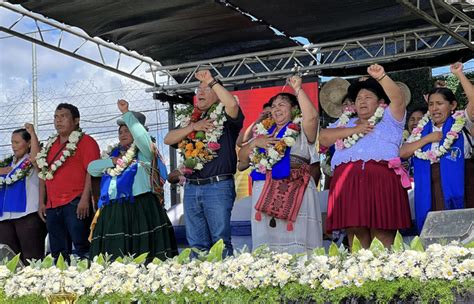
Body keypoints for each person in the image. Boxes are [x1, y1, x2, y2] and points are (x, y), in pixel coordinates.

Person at [320, 64, 411, 249]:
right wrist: (355, 129)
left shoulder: (390, 117)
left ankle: (383, 274)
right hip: (348, 183)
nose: (362, 101)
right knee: (355, 232)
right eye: (359, 98)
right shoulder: (345, 122)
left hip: (381, 182)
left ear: (380, 102)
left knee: (382, 233)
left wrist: (382, 76)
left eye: (368, 97)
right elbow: (323, 138)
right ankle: (360, 274)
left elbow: (398, 99)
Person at [238, 75, 322, 254]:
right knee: (266, 244)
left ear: (294, 109)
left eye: (282, 104)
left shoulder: (300, 128)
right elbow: (242, 161)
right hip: (265, 190)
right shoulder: (264, 131)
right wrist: (254, 143)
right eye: (274, 106)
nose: (276, 109)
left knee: (298, 240)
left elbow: (313, 117)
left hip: (295, 187)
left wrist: (298, 89)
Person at [164, 70, 244, 256]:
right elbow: (168, 139)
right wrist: (193, 127)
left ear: (217, 92)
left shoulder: (225, 116)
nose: (200, 93)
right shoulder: (191, 119)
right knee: (197, 244)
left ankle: (225, 283)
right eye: (198, 89)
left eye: (206, 89)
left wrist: (211, 80)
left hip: (218, 186)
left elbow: (231, 103)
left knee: (220, 242)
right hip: (192, 187)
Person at [88, 100, 178, 260]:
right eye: (120, 131)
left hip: (141, 207)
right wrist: (113, 161)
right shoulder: (112, 154)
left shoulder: (145, 151)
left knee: (144, 253)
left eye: (127, 130)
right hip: (114, 210)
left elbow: (143, 139)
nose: (122, 134)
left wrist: (126, 113)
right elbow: (92, 169)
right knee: (114, 254)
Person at [400, 62, 474, 231]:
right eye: (431, 104)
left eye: (439, 103)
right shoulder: (421, 131)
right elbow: (403, 153)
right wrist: (427, 139)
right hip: (430, 185)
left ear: (453, 106)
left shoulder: (462, 122)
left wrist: (459, 74)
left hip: (462, 182)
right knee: (434, 232)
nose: (434, 108)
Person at [34, 103, 100, 260]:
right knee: (57, 253)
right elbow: (43, 173)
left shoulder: (86, 141)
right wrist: (42, 202)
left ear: (76, 120)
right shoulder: (50, 145)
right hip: (52, 206)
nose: (58, 121)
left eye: (63, 116)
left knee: (83, 247)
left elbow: (91, 172)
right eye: (56, 117)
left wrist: (84, 200)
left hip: (75, 202)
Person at [0, 125, 47, 263]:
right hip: (5, 217)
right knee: (9, 259)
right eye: (12, 142)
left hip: (27, 215)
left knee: (31, 258)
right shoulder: (8, 164)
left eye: (17, 142)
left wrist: (32, 133)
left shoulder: (31, 161)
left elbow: (36, 157)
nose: (13, 146)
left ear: (28, 144)